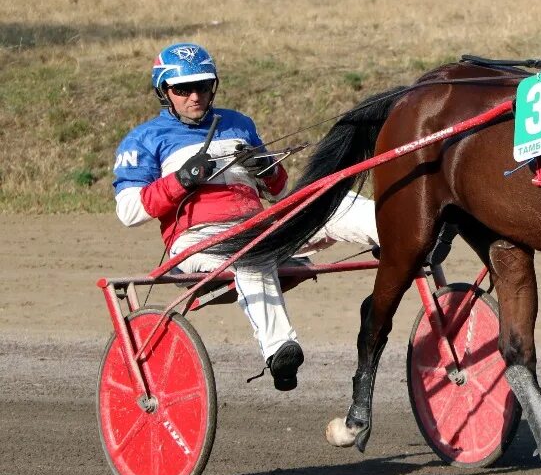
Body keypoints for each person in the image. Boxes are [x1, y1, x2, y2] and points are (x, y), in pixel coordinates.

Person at [111, 43, 379, 391]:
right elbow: (128, 212)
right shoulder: (145, 139)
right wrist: (180, 181)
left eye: (203, 87)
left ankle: (402, 238)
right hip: (199, 243)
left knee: (330, 200)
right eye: (183, 89)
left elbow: (281, 193)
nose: (195, 97)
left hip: (259, 227)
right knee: (252, 253)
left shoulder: (238, 124)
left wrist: (266, 172)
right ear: (165, 92)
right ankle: (279, 351)